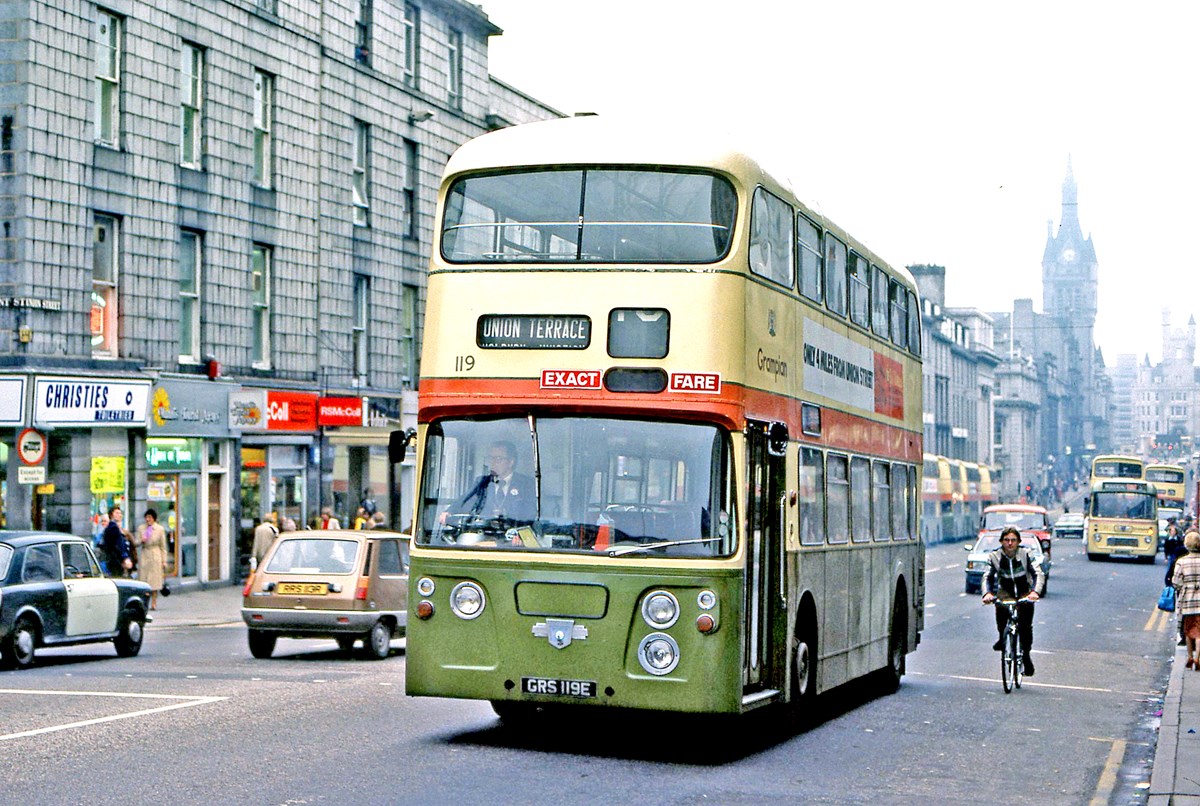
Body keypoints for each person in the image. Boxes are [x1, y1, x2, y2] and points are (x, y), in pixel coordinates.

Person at [981, 526, 1045, 676]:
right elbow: (987, 577)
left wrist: (1035, 592)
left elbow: (1038, 573)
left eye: (1013, 540)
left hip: (1024, 590)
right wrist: (987, 593)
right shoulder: (994, 556)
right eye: (1006, 540)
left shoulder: (1026, 554)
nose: (1010, 543)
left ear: (1018, 542)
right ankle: (1002, 638)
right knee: (1001, 611)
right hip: (1006, 590)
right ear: (1001, 542)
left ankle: (1026, 657)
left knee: (1025, 627)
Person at [455, 441, 536, 521]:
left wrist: (506, 514)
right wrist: (449, 512)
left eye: (498, 459)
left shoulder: (527, 484)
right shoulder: (482, 482)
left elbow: (531, 514)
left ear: (511, 462)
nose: (492, 463)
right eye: (490, 458)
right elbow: (464, 501)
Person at [1173, 530, 1200, 670]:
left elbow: (1176, 582)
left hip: (1188, 601)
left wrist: (1184, 587)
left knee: (1189, 631)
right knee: (1199, 632)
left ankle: (1189, 657)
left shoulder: (1181, 562)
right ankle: (1197, 658)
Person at [139, 509, 168, 610]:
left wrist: (164, 561)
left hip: (156, 555)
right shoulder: (141, 528)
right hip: (145, 555)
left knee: (155, 582)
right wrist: (141, 540)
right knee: (144, 580)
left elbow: (163, 547)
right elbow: (136, 542)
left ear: (154, 518)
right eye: (146, 517)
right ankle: (145, 603)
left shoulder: (160, 529)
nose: (148, 520)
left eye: (150, 518)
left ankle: (154, 603)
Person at [102, 506, 132, 578]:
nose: (119, 515)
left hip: (113, 559)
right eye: (117, 513)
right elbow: (118, 545)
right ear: (112, 515)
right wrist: (124, 558)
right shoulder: (113, 528)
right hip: (115, 560)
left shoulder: (114, 527)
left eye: (120, 513)